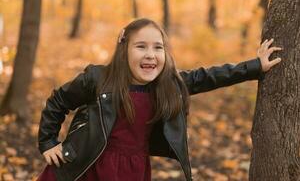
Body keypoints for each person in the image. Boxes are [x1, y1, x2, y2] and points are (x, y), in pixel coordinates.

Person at [37, 18, 283, 181]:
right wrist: (48, 141)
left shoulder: (168, 85)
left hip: (132, 171)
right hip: (86, 166)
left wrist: (255, 66)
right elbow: (59, 101)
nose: (150, 55)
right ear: (124, 50)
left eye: (158, 47)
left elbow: (210, 76)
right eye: (141, 47)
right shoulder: (99, 79)